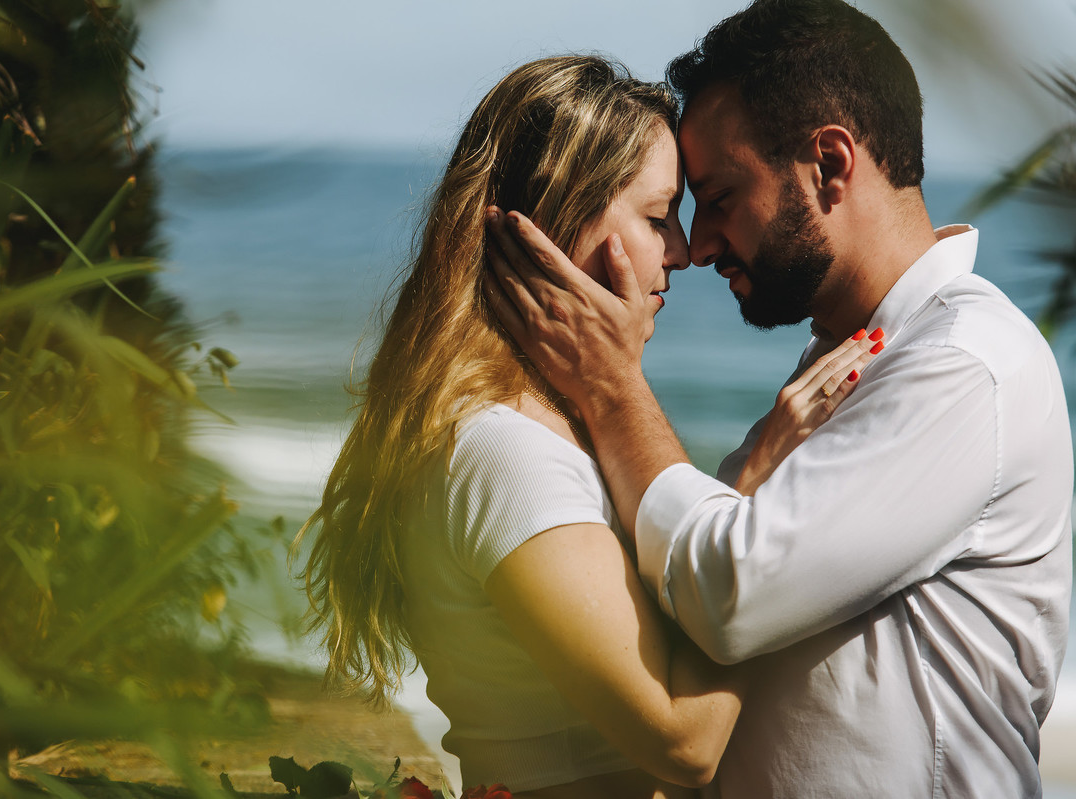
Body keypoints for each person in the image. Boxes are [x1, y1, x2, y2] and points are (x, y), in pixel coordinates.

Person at [485, 1, 1073, 797]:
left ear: (830, 164)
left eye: (720, 197)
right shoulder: (843, 360)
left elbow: (731, 594)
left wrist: (612, 388)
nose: (698, 246)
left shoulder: (965, 364)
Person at [295, 55, 879, 798]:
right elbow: (684, 741)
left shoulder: (534, 428)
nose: (681, 251)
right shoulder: (506, 454)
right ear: (563, 216)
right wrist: (753, 480)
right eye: (656, 217)